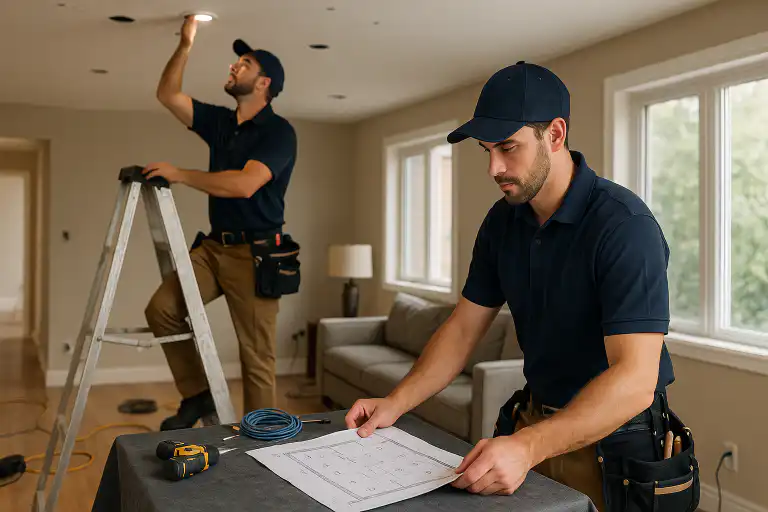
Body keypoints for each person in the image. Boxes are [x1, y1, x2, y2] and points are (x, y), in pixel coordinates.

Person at [345, 61, 698, 511]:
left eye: (508, 148)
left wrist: (528, 446)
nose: (494, 167)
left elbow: (634, 380)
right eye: (486, 150)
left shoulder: (624, 226)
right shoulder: (503, 221)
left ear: (555, 134)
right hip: (534, 420)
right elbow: (462, 330)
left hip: (619, 441)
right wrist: (395, 403)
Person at [143, 16, 298, 431]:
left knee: (256, 357)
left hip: (256, 254)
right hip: (213, 248)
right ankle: (198, 395)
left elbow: (246, 184)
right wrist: (186, 42)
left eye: (245, 64)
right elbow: (167, 93)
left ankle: (263, 440)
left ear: (264, 83)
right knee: (161, 310)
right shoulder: (221, 123)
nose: (234, 67)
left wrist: (181, 174)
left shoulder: (279, 133)